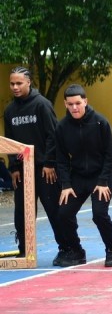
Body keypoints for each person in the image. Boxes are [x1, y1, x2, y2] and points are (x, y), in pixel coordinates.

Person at [3, 66, 67, 264]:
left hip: (44, 169)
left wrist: (49, 163)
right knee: (22, 213)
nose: (15, 87)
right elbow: (10, 142)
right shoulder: (9, 110)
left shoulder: (42, 105)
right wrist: (13, 167)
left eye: (19, 83)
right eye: (12, 84)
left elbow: (53, 136)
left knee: (54, 210)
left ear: (29, 82)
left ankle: (66, 248)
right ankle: (24, 249)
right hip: (22, 171)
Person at [55, 84, 112, 267]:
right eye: (70, 104)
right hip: (78, 177)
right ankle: (77, 251)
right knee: (64, 213)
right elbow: (61, 159)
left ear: (85, 101)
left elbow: (110, 155)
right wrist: (66, 185)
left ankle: (111, 249)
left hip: (101, 177)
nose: (74, 107)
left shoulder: (100, 122)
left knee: (99, 214)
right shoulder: (62, 127)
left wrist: (103, 181)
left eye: (78, 103)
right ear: (65, 104)